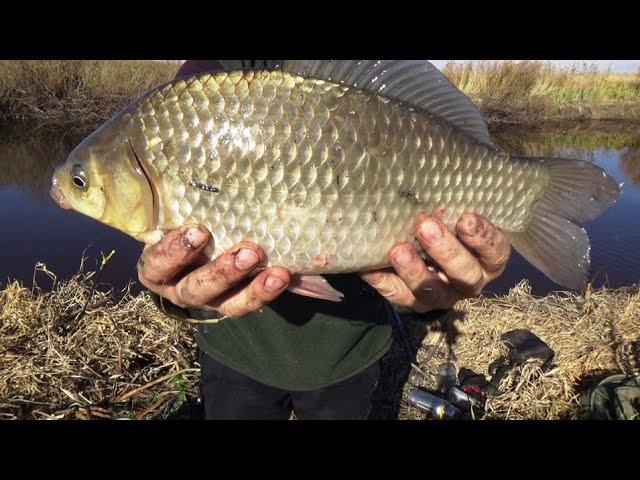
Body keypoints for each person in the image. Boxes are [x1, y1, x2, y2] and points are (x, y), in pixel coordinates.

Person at [137, 60, 512, 420]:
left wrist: (434, 294)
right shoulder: (200, 85)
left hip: (352, 351)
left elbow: (427, 282)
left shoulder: (364, 72)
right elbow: (168, 261)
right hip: (235, 353)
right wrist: (168, 290)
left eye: (81, 184)